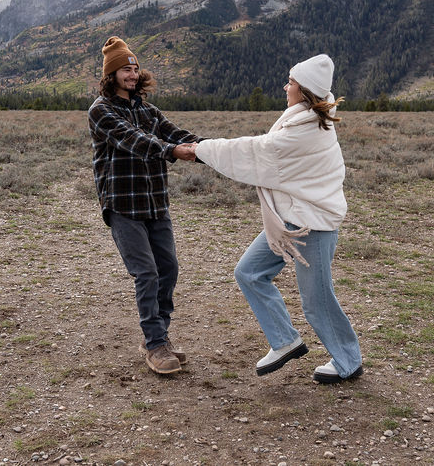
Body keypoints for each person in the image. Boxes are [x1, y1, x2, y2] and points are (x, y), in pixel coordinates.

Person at [189, 54, 363, 383]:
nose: (286, 87)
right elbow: (262, 150)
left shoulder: (303, 130)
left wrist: (199, 150)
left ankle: (349, 362)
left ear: (306, 91)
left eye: (292, 82)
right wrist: (202, 148)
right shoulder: (306, 119)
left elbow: (255, 151)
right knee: (250, 272)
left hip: (313, 225)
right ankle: (285, 340)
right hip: (290, 222)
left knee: (317, 301)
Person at [88, 36, 201, 375]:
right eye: (125, 69)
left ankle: (159, 335)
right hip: (123, 204)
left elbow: (175, 133)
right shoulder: (101, 111)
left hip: (155, 203)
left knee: (169, 269)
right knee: (147, 272)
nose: (132, 74)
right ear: (112, 74)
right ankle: (154, 344)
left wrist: (213, 150)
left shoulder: (148, 111)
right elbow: (133, 139)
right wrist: (171, 151)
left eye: (135, 68)